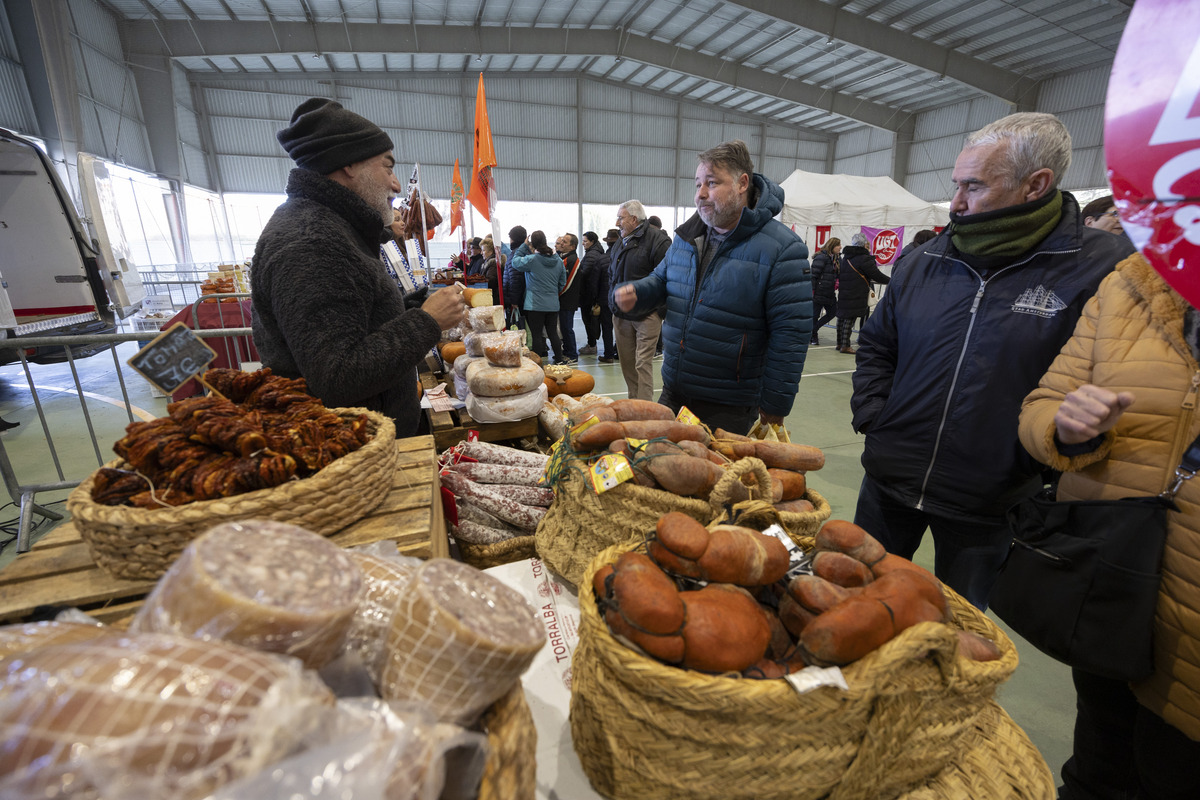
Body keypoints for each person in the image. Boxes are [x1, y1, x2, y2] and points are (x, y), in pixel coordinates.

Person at [849, 111, 1135, 608]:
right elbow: (878, 346)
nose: (956, 202)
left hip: (992, 499)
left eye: (974, 187)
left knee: (958, 633)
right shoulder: (926, 260)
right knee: (854, 603)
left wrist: (1032, 462)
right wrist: (876, 415)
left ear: (1035, 184)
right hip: (889, 479)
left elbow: (1108, 382)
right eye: (956, 185)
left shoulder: (1100, 270)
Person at [1018, 252, 1200, 799]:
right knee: (1098, 764)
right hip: (1111, 578)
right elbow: (1043, 403)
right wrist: (1067, 427)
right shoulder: (1129, 285)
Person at [250, 97, 467, 437]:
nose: (395, 185)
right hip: (351, 452)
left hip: (367, 439)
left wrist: (411, 307)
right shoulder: (313, 243)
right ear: (349, 165)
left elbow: (357, 320)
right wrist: (427, 321)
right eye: (388, 167)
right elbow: (337, 375)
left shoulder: (336, 229)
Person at [614, 139, 811, 434]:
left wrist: (775, 406)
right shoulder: (686, 238)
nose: (701, 194)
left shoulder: (782, 250)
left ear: (742, 183)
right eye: (697, 185)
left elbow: (790, 337)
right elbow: (661, 280)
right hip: (675, 391)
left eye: (712, 183)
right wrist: (638, 293)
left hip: (728, 406)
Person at [609, 200, 671, 400]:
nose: (617, 223)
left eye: (621, 218)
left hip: (647, 314)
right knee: (627, 363)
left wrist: (658, 312)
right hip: (621, 315)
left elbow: (667, 277)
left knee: (642, 363)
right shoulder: (620, 241)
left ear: (634, 219)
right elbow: (612, 275)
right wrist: (613, 303)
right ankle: (633, 404)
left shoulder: (657, 240)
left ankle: (645, 410)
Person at [511, 230, 566, 361]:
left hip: (534, 304)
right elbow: (562, 282)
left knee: (536, 335)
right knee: (553, 333)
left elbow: (515, 262)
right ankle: (559, 359)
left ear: (533, 244)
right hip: (552, 303)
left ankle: (538, 362)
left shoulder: (532, 260)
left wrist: (523, 246)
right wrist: (553, 292)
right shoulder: (558, 260)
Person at [836, 233, 890, 355]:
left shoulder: (847, 257)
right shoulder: (864, 258)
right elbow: (876, 275)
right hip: (856, 291)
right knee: (850, 318)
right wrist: (891, 281)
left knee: (842, 317)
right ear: (865, 244)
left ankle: (840, 343)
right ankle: (845, 345)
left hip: (845, 290)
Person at [577, 231, 615, 361]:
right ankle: (619, 352)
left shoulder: (599, 257)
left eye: (585, 241)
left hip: (602, 297)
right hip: (621, 297)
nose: (583, 243)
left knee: (605, 326)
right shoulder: (619, 257)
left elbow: (593, 280)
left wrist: (595, 298)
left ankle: (607, 353)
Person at [555, 233, 582, 365]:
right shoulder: (562, 257)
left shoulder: (573, 260)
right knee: (562, 328)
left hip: (567, 300)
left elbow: (568, 282)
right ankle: (566, 352)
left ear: (572, 246)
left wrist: (556, 294)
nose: (561, 244)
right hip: (561, 300)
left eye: (565, 242)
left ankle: (572, 354)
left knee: (567, 328)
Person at [809, 237, 840, 346]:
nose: (840, 247)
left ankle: (813, 329)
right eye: (838, 245)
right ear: (832, 246)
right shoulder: (821, 257)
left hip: (829, 292)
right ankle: (813, 335)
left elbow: (836, 273)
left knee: (833, 312)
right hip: (818, 292)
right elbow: (813, 275)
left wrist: (836, 281)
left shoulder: (836, 259)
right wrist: (812, 290)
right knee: (814, 315)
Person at [503, 225, 528, 330]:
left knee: (519, 326)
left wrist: (514, 300)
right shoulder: (526, 252)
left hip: (518, 299)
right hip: (524, 297)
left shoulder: (516, 254)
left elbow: (515, 279)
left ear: (513, 238)